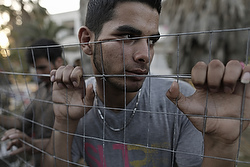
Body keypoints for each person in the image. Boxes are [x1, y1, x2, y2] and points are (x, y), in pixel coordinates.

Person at [44, 0, 250, 166]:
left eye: (151, 41)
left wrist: (222, 145)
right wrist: (64, 122)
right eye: (127, 36)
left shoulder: (182, 101)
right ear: (87, 40)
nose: (145, 55)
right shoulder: (76, 99)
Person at [0, 38, 64, 167]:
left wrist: (32, 144)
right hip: (40, 159)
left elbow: (73, 140)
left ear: (58, 61)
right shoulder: (41, 90)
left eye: (42, 68)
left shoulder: (73, 93)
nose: (38, 74)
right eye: (35, 68)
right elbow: (22, 122)